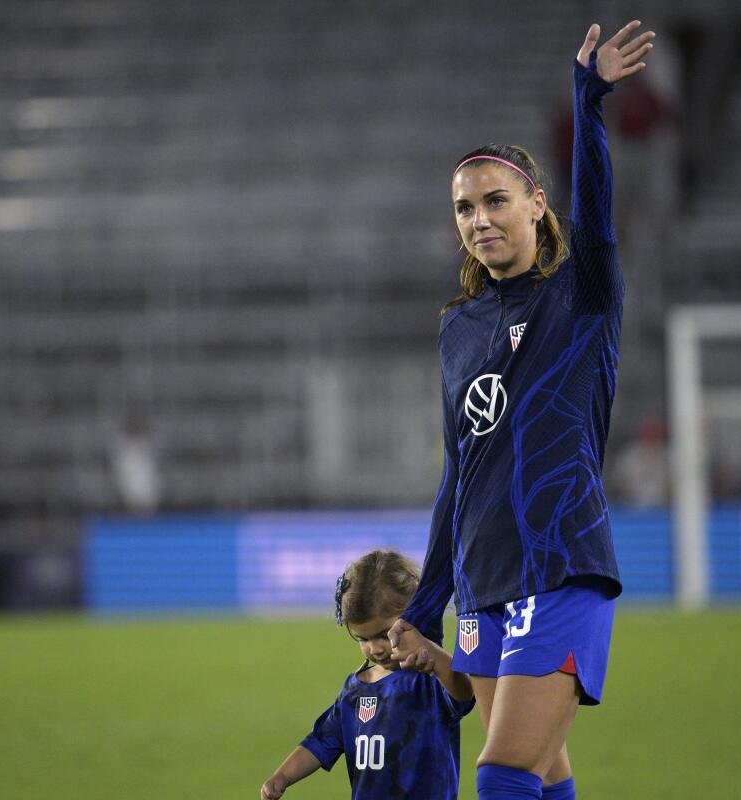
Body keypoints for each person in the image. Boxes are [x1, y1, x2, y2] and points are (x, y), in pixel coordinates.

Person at [389, 21, 656, 800]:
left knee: (502, 776)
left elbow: (599, 216)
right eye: (465, 208)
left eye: (497, 201)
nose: (479, 220)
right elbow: (458, 477)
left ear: (539, 206)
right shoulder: (457, 328)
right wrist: (428, 606)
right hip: (483, 583)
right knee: (543, 777)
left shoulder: (582, 297)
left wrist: (588, 99)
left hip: (561, 565)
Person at [260, 549, 474, 799]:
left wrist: (433, 655)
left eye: (384, 635)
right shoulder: (354, 690)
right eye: (363, 639)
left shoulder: (427, 677)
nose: (375, 649)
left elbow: (464, 693)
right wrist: (282, 776)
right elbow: (321, 741)